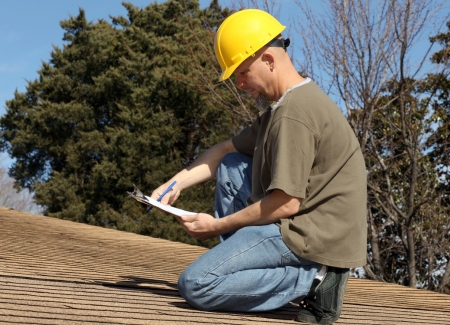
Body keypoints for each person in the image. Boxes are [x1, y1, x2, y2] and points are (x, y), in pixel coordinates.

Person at [151, 8, 367, 324]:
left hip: (312, 237)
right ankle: (255, 269)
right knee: (232, 163)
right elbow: (223, 149)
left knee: (197, 284)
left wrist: (216, 226)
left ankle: (315, 280)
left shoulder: (294, 114)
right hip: (299, 223)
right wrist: (175, 185)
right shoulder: (281, 109)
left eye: (241, 72)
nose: (239, 83)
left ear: (268, 59)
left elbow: (286, 203)